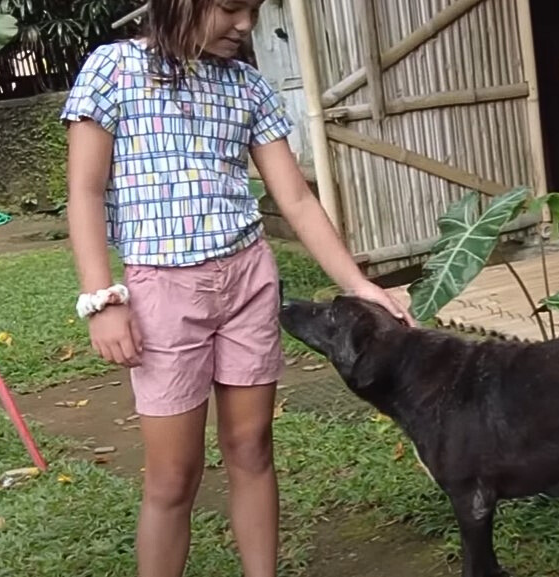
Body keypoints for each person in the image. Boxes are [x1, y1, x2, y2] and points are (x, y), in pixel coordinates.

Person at [60, 1, 415, 576]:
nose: (245, 24)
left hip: (248, 281)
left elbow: (296, 198)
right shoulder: (112, 70)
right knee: (173, 475)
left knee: (252, 449)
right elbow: (86, 191)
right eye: (229, 7)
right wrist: (102, 298)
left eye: (252, 8)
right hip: (163, 293)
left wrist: (357, 284)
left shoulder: (248, 86)